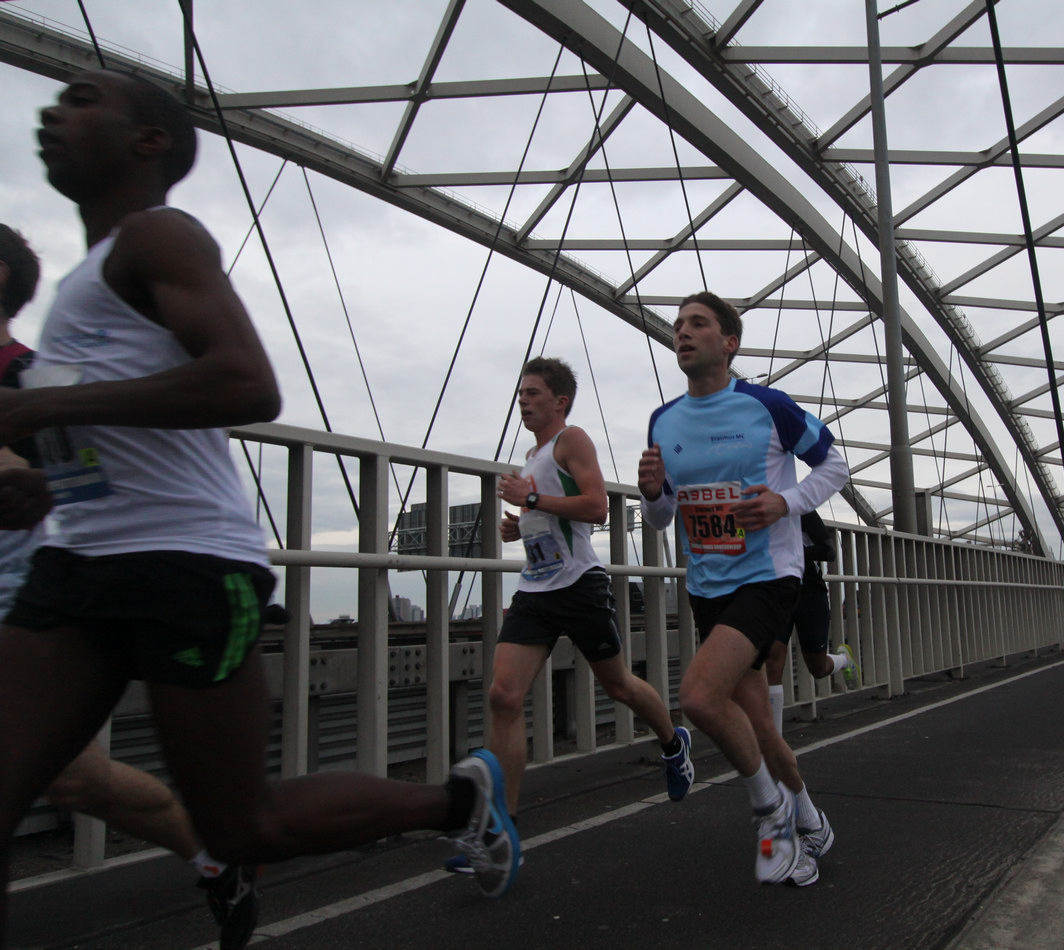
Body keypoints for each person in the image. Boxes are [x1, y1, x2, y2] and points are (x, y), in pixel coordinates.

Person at [0, 70, 517, 945]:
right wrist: (44, 482)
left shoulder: (158, 236)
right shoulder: (79, 283)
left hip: (186, 566)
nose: (54, 109)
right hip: (78, 562)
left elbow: (247, 382)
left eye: (83, 100)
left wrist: (38, 409)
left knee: (244, 828)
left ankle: (456, 801)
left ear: (148, 141)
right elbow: (119, 430)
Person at [1, 221, 262, 948]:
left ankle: (214, 855)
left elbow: (83, 481)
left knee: (75, 781)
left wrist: (25, 472)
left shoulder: (30, 374)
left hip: (22, 592)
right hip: (60, 590)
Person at [447, 357, 693, 873]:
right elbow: (547, 512)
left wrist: (533, 498)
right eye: (521, 393)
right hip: (536, 588)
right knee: (502, 695)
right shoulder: (532, 455)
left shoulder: (571, 440)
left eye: (533, 393)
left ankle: (673, 743)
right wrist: (521, 523)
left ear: (560, 402)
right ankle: (501, 830)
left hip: (580, 585)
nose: (523, 400)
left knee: (619, 685)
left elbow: (596, 507)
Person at [638, 292, 850, 887]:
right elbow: (662, 518)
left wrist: (786, 501)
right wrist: (652, 494)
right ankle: (811, 822)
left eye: (697, 323)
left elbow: (835, 466)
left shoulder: (768, 406)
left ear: (729, 343)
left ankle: (772, 816)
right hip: (708, 585)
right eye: (678, 325)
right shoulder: (663, 421)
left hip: (768, 577)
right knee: (757, 722)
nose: (682, 332)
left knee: (700, 698)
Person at [764, 511, 858, 735]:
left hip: (809, 593)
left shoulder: (801, 510)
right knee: (772, 662)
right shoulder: (753, 509)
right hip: (775, 593)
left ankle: (844, 660)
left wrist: (791, 553)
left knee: (818, 668)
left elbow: (828, 551)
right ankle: (774, 741)